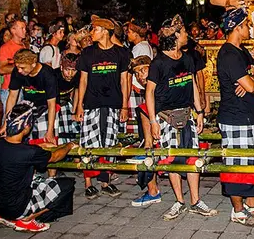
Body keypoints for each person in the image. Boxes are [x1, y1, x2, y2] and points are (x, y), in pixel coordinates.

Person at [132, 15, 218, 220]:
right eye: (184, 32)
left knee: (192, 159)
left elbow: (193, 85)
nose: (188, 34)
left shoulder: (188, 58)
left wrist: (200, 112)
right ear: (176, 36)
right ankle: (179, 201)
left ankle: (196, 201)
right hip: (166, 118)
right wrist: (153, 122)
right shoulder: (159, 62)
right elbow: (149, 92)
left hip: (187, 115)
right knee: (171, 160)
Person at [217, 8, 254, 226]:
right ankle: (238, 211)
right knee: (237, 166)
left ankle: (252, 205)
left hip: (249, 116)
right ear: (238, 27)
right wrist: (251, 82)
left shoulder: (242, 52)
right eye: (247, 25)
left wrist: (252, 80)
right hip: (235, 118)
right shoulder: (229, 54)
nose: (250, 28)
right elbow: (251, 85)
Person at [0, 101, 76, 233]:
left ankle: (6, 217)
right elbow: (56, 156)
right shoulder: (28, 152)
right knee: (66, 185)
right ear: (26, 126)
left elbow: (22, 150)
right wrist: (69, 145)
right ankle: (27, 220)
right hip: (16, 207)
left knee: (35, 179)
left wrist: (41, 146)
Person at [75, 15, 130, 199]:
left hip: (113, 103)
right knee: (89, 142)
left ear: (105, 31)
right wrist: (79, 106)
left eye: (95, 29)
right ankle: (89, 183)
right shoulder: (88, 53)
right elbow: (82, 80)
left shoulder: (120, 53)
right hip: (91, 104)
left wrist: (124, 106)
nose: (91, 33)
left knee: (109, 143)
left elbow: (124, 81)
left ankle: (106, 182)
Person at [4, 49, 59, 145]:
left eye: (22, 67)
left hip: (46, 108)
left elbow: (52, 104)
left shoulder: (48, 74)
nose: (19, 70)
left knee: (44, 141)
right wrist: (6, 123)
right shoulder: (17, 72)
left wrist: (50, 130)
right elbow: (12, 97)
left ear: (33, 64)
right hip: (28, 108)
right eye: (17, 67)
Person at [0, 19, 27, 114]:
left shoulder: (23, 46)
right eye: (22, 28)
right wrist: (21, 67)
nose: (25, 30)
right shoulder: (6, 47)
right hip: (9, 89)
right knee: (10, 119)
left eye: (25, 28)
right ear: (13, 30)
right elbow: (2, 69)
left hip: (22, 88)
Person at [55, 53, 80, 145]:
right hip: (53, 104)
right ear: (61, 68)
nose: (70, 74)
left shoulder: (78, 75)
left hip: (67, 102)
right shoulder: (54, 76)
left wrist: (74, 111)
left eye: (73, 70)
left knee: (74, 127)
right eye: (67, 70)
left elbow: (76, 91)